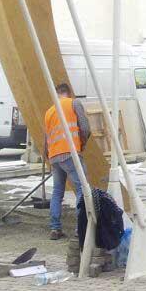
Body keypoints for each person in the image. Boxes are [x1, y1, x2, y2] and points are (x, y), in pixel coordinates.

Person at [44, 82, 91, 241]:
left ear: (57, 94)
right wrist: (82, 144)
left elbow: (46, 139)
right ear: (68, 93)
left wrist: (49, 157)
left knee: (57, 192)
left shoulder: (49, 111)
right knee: (82, 189)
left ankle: (55, 228)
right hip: (70, 153)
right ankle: (80, 229)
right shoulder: (74, 103)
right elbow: (85, 128)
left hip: (54, 156)